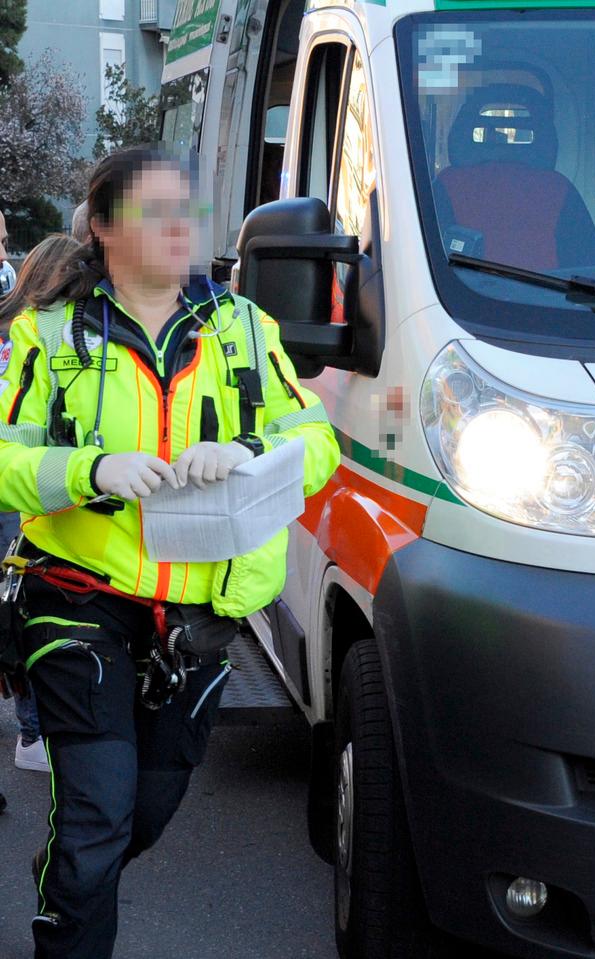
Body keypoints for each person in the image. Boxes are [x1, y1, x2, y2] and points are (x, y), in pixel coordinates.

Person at [0, 147, 340, 959]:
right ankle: (73, 912)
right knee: (97, 821)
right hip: (79, 604)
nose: (181, 224)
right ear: (107, 229)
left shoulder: (244, 329)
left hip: (196, 626)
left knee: (132, 825)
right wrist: (89, 469)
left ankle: (72, 881)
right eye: (156, 210)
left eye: (186, 207)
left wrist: (250, 452)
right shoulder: (51, 336)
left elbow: (318, 443)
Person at [0, 234, 85, 774]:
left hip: (21, 491)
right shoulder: (43, 337)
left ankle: (32, 731)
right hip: (27, 500)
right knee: (26, 615)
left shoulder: (16, 325)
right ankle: (34, 733)